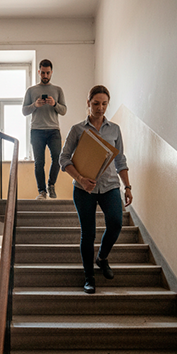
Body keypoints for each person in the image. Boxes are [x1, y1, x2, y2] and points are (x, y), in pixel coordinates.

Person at [59, 85, 133, 294]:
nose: (100, 108)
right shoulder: (77, 130)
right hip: (84, 190)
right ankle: (89, 277)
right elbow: (63, 159)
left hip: (110, 186)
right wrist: (81, 179)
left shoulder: (115, 129)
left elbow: (120, 160)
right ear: (88, 103)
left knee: (116, 223)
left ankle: (102, 257)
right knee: (88, 233)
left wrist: (127, 186)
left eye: (104, 104)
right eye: (96, 104)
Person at [22, 59, 67, 199]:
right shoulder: (31, 90)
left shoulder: (58, 90)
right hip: (36, 130)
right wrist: (35, 105)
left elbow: (64, 110)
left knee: (58, 159)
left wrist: (54, 104)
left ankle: (51, 185)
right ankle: (42, 191)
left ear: (51, 72)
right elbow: (24, 111)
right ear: (38, 72)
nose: (45, 75)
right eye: (43, 73)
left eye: (48, 73)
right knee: (39, 162)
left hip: (54, 130)